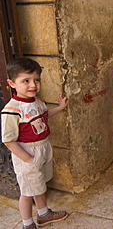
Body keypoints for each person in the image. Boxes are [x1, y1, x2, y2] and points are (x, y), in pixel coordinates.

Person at [1, 58, 69, 229]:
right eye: (26, 81)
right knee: (27, 192)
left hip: (43, 149)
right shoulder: (12, 109)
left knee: (39, 186)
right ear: (12, 83)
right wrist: (28, 159)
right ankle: (27, 223)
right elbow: (8, 140)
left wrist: (60, 107)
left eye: (36, 80)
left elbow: (44, 116)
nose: (33, 85)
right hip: (27, 153)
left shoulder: (37, 102)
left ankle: (44, 214)